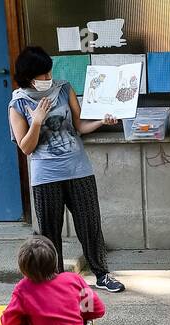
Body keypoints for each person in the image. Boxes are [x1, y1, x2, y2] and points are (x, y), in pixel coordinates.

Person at [8, 45, 126, 294]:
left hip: (78, 169)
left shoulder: (63, 89)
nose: (48, 79)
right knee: (50, 232)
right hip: (45, 176)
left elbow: (79, 126)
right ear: (29, 75)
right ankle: (56, 282)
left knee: (90, 224)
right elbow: (26, 147)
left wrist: (102, 121)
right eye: (43, 75)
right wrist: (37, 120)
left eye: (49, 73)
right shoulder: (18, 103)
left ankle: (102, 274)